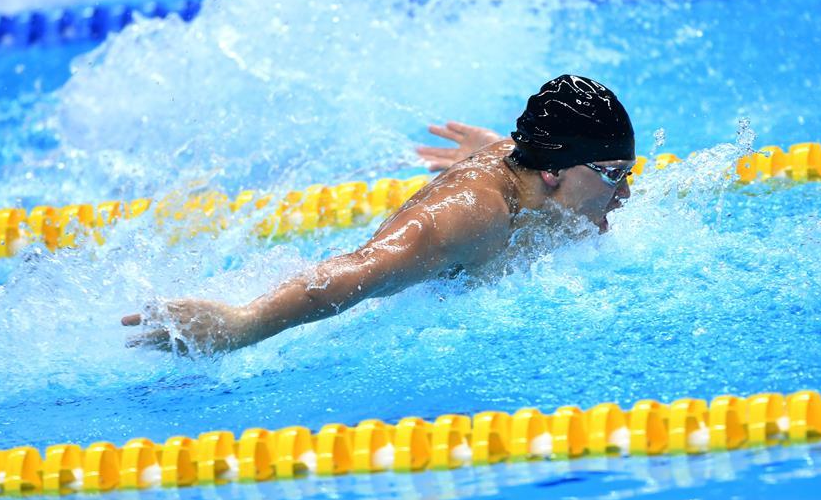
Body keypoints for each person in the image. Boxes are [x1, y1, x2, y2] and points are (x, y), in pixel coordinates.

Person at [122, 74, 635, 354]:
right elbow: (362, 268)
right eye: (612, 174)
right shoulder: (470, 216)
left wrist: (493, 149)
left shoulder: (544, 174)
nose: (626, 193)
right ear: (551, 171)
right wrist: (245, 322)